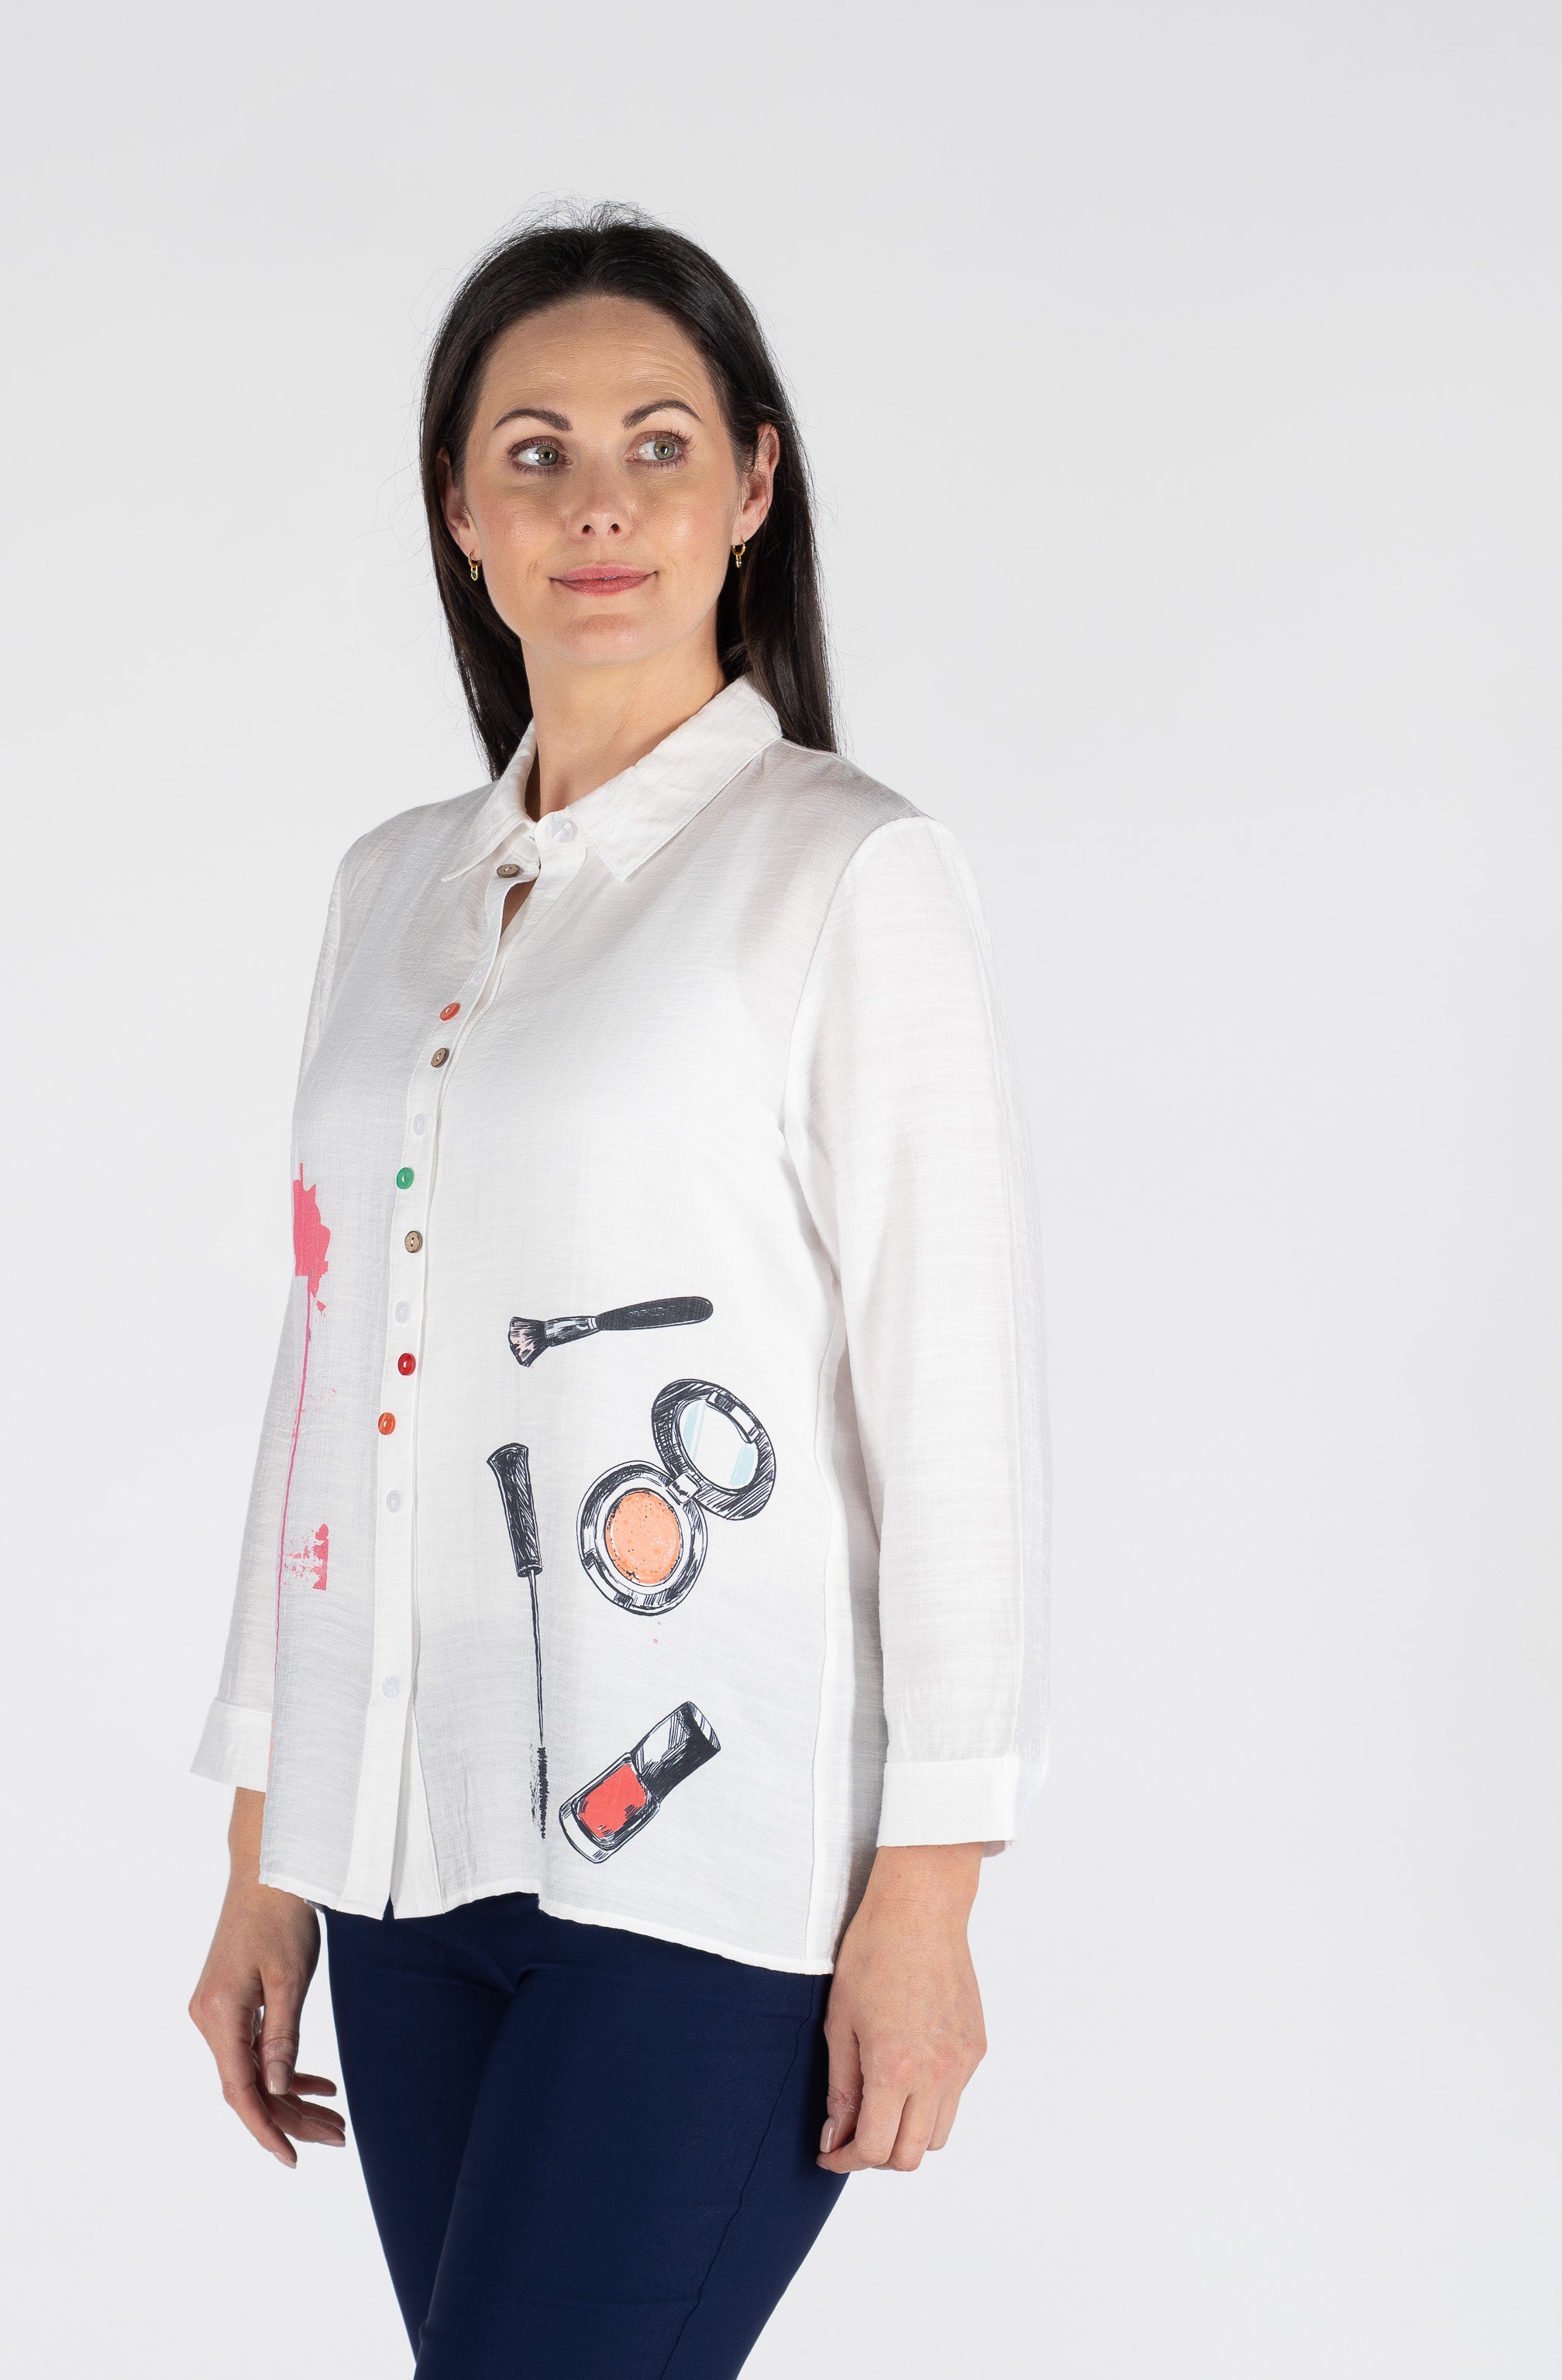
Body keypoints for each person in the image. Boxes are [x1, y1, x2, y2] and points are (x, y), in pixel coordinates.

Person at [188, 205, 1050, 2379]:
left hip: (717, 1878)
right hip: (404, 1854)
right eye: (539, 453)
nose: (601, 504)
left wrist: (932, 1893)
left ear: (751, 487)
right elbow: (329, 1370)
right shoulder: (390, 887)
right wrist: (268, 1847)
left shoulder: (843, 869)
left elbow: (950, 1404)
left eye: (659, 445)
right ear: (458, 511)